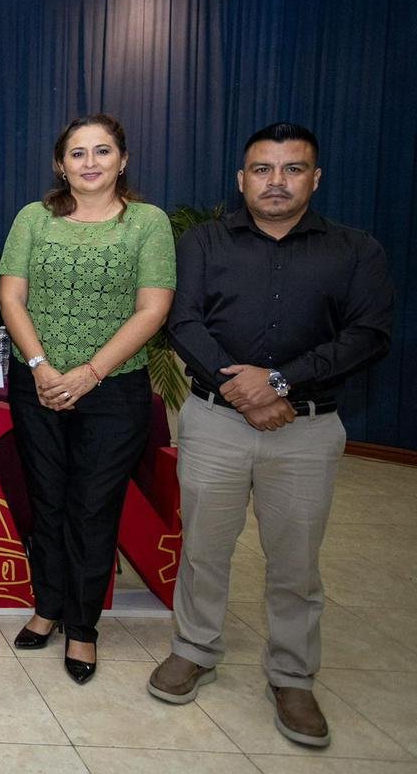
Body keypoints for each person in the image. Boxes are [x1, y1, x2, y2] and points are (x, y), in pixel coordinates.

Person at [148, 122, 392, 747]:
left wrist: (280, 383)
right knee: (204, 549)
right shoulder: (203, 242)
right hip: (215, 421)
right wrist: (244, 392)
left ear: (315, 177)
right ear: (242, 178)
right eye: (263, 169)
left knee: (295, 562)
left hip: (306, 429)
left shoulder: (355, 250)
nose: (276, 181)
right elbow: (183, 321)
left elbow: (368, 335)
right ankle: (194, 649)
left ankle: (292, 675)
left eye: (292, 168)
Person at [0, 114, 176, 684]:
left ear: (123, 160)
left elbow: (153, 309)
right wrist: (42, 367)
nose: (90, 162)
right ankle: (47, 606)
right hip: (38, 384)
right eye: (78, 153)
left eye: (102, 151)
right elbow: (11, 296)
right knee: (46, 501)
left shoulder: (147, 223)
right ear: (61, 164)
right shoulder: (33, 218)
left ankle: (82, 626)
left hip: (114, 390)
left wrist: (89, 374)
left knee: (93, 508)